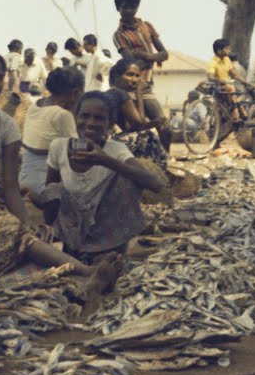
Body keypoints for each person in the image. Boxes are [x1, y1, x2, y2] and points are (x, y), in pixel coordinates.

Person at [0, 49, 120, 283]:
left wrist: (25, 220)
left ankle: (67, 276)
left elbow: (11, 186)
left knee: (23, 230)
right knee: (5, 226)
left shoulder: (6, 125)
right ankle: (85, 271)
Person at [40, 92, 166, 259]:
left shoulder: (115, 150)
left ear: (110, 124)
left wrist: (105, 160)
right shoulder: (59, 146)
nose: (90, 123)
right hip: (73, 226)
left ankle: (114, 249)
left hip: (107, 227)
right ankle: (70, 247)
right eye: (85, 116)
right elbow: (49, 191)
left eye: (99, 118)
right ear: (75, 118)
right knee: (51, 190)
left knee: (127, 177)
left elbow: (155, 184)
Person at [111, 0, 172, 151]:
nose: (129, 11)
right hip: (128, 87)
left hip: (145, 86)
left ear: (137, 7)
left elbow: (164, 53)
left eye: (133, 6)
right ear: (118, 8)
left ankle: (165, 163)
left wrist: (143, 56)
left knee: (165, 128)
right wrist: (152, 57)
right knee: (135, 128)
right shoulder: (118, 35)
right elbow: (130, 62)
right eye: (124, 7)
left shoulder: (147, 26)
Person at [19, 67, 84, 196]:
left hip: (25, 177)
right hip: (45, 184)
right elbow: (78, 149)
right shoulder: (62, 115)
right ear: (75, 92)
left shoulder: (36, 104)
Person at [104, 58, 169, 169]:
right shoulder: (120, 95)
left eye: (137, 76)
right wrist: (139, 92)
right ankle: (161, 171)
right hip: (105, 144)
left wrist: (155, 122)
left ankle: (154, 170)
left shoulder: (117, 93)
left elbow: (130, 127)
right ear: (117, 77)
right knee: (147, 136)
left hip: (106, 142)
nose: (134, 80)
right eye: (129, 75)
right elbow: (140, 125)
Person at [207, 38, 254, 120]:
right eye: (227, 49)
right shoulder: (213, 62)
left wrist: (245, 82)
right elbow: (210, 76)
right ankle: (235, 116)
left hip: (228, 87)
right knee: (231, 88)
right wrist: (219, 80)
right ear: (219, 50)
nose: (229, 50)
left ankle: (241, 114)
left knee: (232, 90)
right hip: (219, 87)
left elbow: (233, 75)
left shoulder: (227, 59)